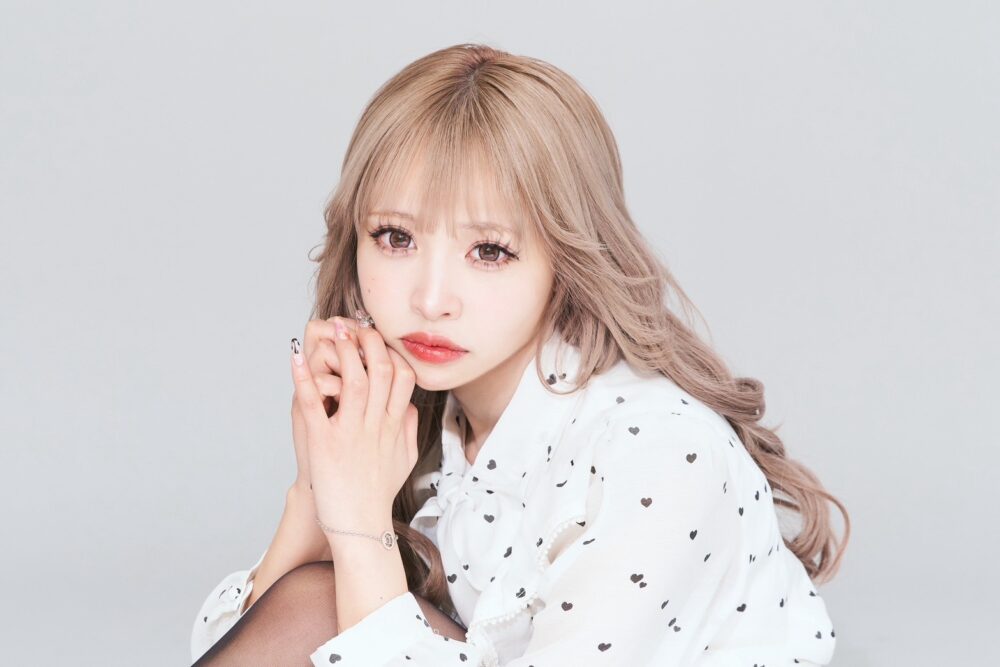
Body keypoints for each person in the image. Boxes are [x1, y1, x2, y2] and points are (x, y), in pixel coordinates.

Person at [189, 42, 850, 666]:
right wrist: (319, 490)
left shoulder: (655, 454)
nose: (430, 299)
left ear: (566, 261)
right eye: (395, 238)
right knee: (317, 598)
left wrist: (361, 524)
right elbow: (251, 645)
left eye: (489, 251)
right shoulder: (428, 424)